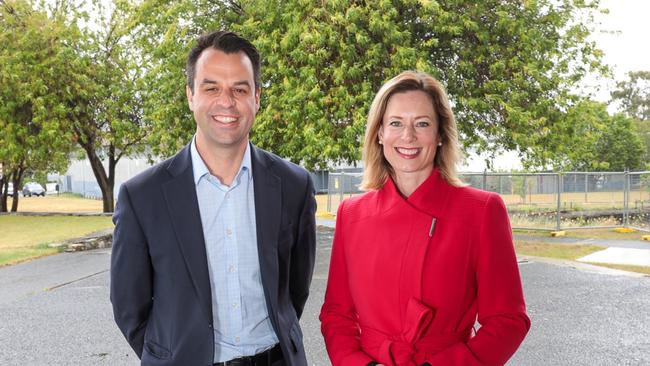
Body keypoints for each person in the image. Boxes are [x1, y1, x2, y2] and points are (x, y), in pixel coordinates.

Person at [111, 30, 316, 366]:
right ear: (191, 95)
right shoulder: (141, 197)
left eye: (240, 88)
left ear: (257, 98)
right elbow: (129, 309)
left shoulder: (294, 185)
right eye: (211, 88)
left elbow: (295, 292)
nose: (227, 101)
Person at [320, 71, 530, 366]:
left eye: (422, 124)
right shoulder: (352, 214)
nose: (408, 136)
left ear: (441, 135)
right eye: (396, 123)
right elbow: (336, 314)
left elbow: (509, 320)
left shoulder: (482, 211)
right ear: (379, 133)